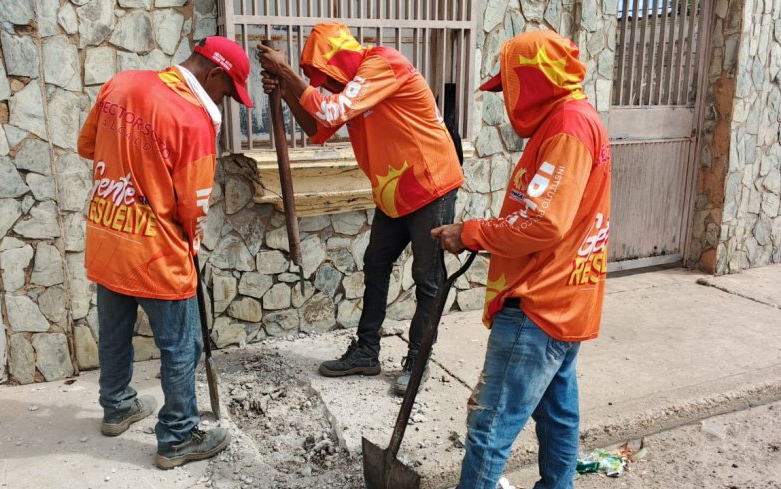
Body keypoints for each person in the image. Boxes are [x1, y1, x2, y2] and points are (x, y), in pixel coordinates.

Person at [432, 30, 612, 488]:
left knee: (489, 428)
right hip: (564, 297)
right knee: (557, 416)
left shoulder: (569, 128)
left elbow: (544, 223)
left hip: (540, 300)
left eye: (508, 88)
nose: (506, 102)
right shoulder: (571, 120)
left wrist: (470, 232)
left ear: (530, 82)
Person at [257, 23, 464, 393]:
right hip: (395, 192)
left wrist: (287, 72)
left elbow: (333, 111)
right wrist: (287, 93)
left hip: (431, 186)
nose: (326, 87)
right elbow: (318, 130)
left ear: (337, 60)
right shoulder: (353, 88)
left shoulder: (383, 64)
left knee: (427, 278)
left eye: (326, 77)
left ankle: (417, 361)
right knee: (376, 264)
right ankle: (367, 352)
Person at [77, 36, 253, 470]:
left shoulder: (120, 84)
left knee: (114, 331)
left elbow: (88, 147)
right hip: (157, 253)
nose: (225, 99)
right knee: (182, 345)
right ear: (213, 74)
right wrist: (191, 240)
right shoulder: (193, 121)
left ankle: (117, 406)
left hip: (108, 235)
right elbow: (191, 206)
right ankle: (177, 436)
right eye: (227, 90)